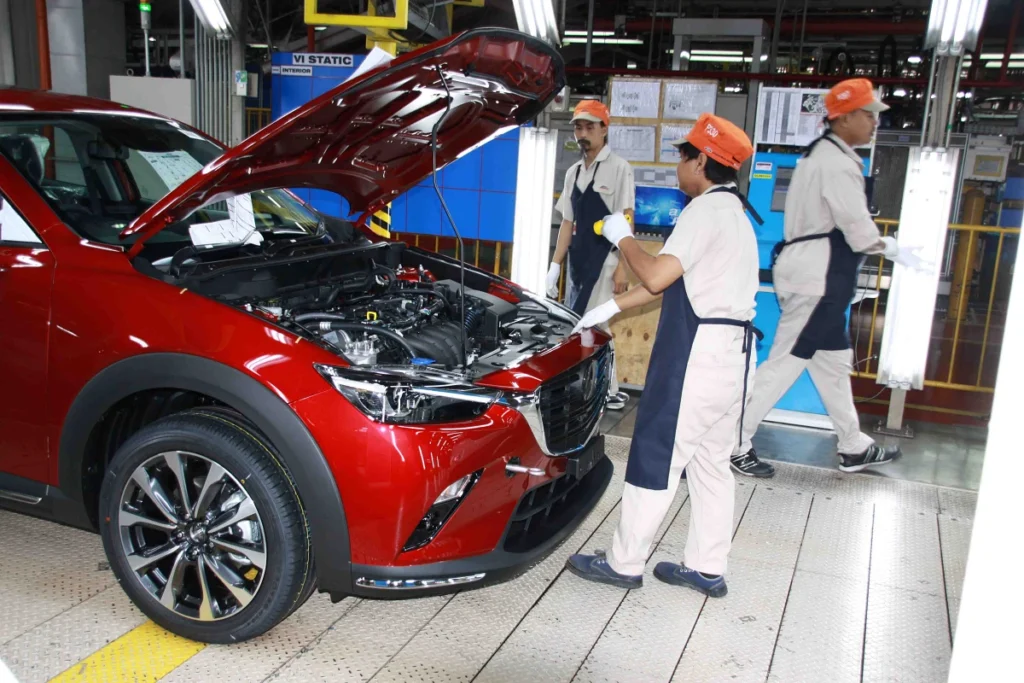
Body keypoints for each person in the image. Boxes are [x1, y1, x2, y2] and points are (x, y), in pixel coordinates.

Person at [564, 113, 762, 597]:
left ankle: (624, 563)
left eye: (683, 155)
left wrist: (622, 237)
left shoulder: (704, 212)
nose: (678, 165)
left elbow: (654, 274)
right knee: (711, 463)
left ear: (701, 162)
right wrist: (610, 308)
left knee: (657, 454)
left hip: (697, 356)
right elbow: (670, 282)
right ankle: (706, 568)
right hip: (735, 359)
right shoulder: (736, 216)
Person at [731, 78, 931, 478]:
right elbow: (857, 229)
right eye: (868, 114)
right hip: (818, 279)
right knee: (783, 364)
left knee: (833, 365)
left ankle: (853, 446)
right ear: (845, 117)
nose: (874, 122)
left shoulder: (819, 155)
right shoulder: (837, 163)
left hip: (818, 275)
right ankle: (733, 443)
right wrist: (892, 247)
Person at [546, 99, 635, 410]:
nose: (582, 134)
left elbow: (626, 220)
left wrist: (622, 268)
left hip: (605, 260)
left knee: (596, 324)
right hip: (578, 262)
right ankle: (592, 388)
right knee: (582, 323)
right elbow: (567, 223)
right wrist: (555, 265)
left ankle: (607, 389)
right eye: (578, 128)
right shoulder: (573, 172)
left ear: (604, 129)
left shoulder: (620, 168)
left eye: (589, 127)